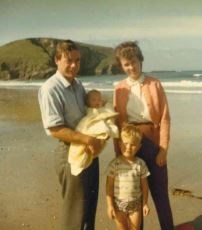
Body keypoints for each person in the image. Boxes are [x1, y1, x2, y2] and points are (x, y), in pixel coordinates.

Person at [38, 40, 103, 230]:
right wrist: (88, 139)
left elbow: (88, 111)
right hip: (70, 154)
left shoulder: (78, 85)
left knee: (89, 209)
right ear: (57, 60)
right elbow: (54, 129)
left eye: (78, 60)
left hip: (89, 151)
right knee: (75, 213)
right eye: (69, 61)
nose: (74, 66)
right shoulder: (50, 89)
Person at [113, 41, 174, 230]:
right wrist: (119, 155)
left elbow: (164, 119)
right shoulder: (119, 88)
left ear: (141, 60)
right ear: (122, 66)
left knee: (160, 194)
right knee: (134, 196)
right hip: (129, 145)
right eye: (126, 64)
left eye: (134, 62)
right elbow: (116, 124)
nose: (131, 67)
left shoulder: (155, 84)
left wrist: (163, 149)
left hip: (153, 143)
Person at [106, 124, 150, 230]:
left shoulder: (140, 164)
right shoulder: (114, 164)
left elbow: (145, 186)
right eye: (125, 143)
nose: (128, 147)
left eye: (133, 144)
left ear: (139, 146)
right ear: (120, 144)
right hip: (118, 205)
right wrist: (110, 205)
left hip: (136, 205)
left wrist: (145, 203)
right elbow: (109, 187)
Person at [68, 89, 119, 176]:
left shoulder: (101, 108)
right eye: (94, 100)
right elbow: (87, 121)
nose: (97, 102)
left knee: (100, 137)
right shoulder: (87, 109)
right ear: (88, 102)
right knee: (82, 147)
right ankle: (80, 160)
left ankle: (86, 156)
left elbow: (109, 111)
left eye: (99, 99)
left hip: (98, 130)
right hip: (88, 127)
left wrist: (104, 105)